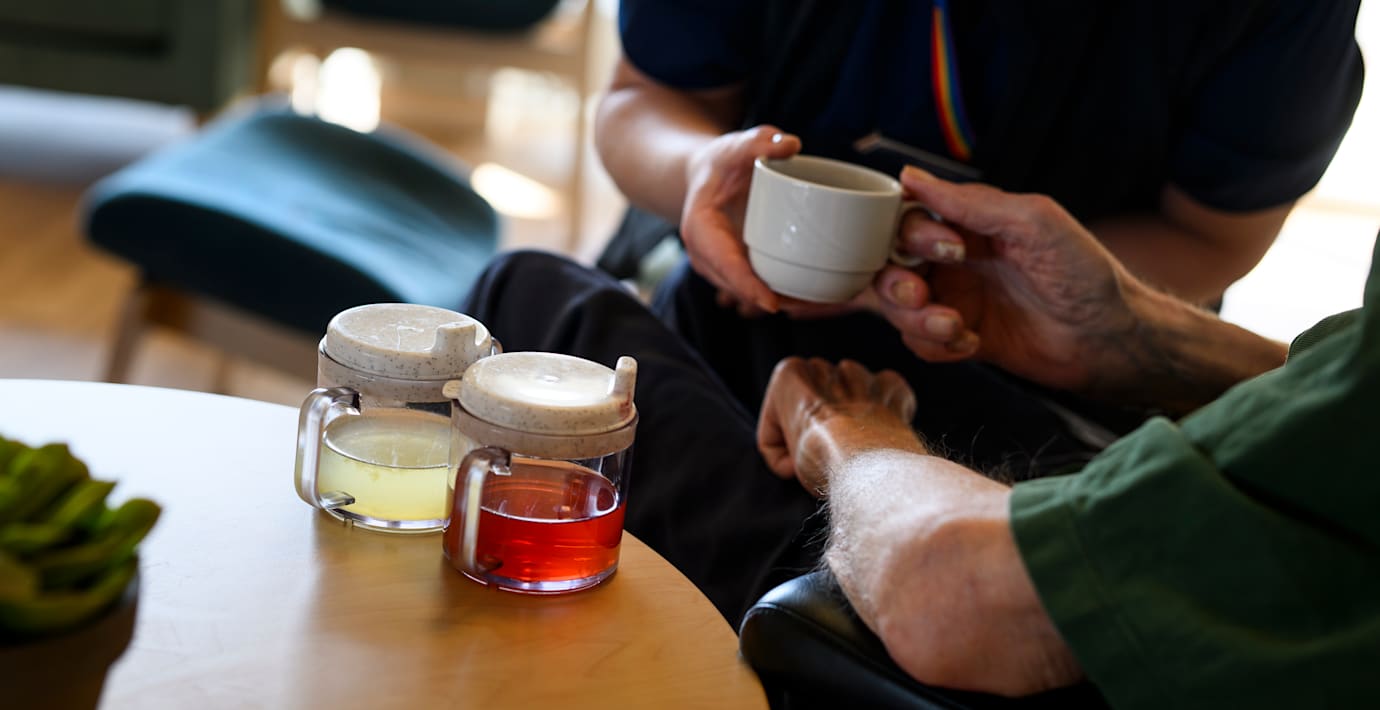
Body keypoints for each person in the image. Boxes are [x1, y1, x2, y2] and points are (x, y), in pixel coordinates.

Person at [460, 170, 1379, 707]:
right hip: (1215, 543)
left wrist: (842, 434)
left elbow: (951, 590)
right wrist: (1129, 335)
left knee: (537, 294)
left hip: (995, 651)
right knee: (728, 305)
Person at [593, 2, 1364, 458]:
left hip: (1068, 366)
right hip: (736, 298)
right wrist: (699, 172)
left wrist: (1039, 295)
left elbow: (1215, 236)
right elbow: (641, 100)